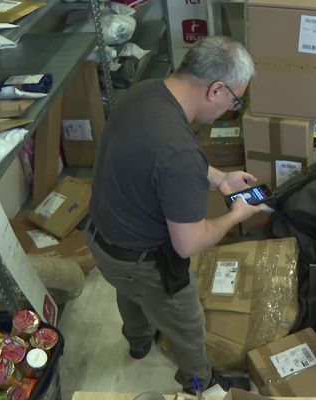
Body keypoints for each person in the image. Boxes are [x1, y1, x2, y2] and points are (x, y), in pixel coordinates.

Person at [86, 36, 261, 393]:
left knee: (129, 292)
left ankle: (137, 342)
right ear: (215, 89)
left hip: (103, 239)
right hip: (140, 261)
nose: (231, 108)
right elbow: (188, 243)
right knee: (187, 322)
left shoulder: (145, 92)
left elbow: (160, 165)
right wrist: (234, 217)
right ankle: (198, 381)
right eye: (235, 100)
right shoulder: (178, 150)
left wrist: (219, 178)